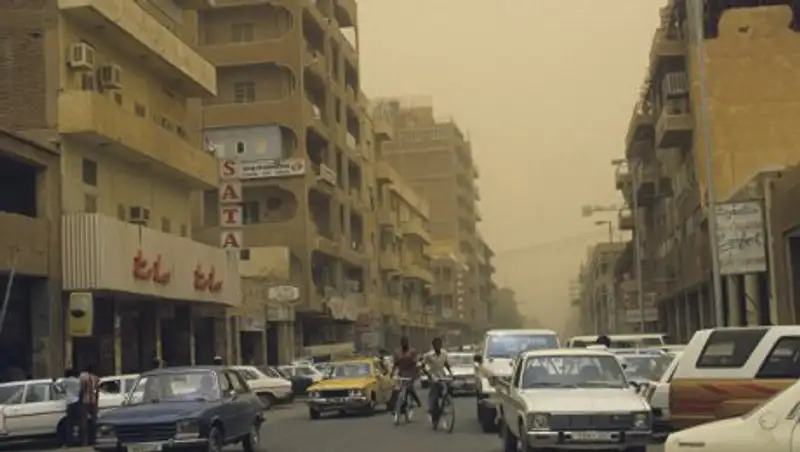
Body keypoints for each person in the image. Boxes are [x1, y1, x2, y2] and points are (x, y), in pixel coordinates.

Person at [421, 337, 453, 418]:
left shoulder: (444, 353)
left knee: (445, 390)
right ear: (433, 345)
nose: (438, 346)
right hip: (433, 376)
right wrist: (428, 374)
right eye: (436, 344)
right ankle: (431, 408)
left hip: (442, 375)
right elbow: (422, 365)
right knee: (434, 393)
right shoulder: (428, 355)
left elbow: (446, 364)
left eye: (439, 344)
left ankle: (445, 405)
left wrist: (450, 373)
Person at [391, 337, 422, 409]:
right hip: (402, 373)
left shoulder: (412, 351)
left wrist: (417, 372)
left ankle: (417, 401)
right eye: (403, 342)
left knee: (409, 387)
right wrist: (392, 373)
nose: (404, 344)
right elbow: (395, 363)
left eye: (405, 342)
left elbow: (415, 362)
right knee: (400, 388)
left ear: (408, 343)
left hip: (411, 372)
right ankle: (399, 404)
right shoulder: (397, 352)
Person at [56, 368, 81, 446]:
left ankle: (69, 440)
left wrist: (63, 390)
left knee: (69, 423)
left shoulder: (66, 381)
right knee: (78, 422)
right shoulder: (77, 381)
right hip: (77, 402)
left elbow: (58, 385)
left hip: (70, 402)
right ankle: (78, 438)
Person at [78, 364, 99, 446]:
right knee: (94, 421)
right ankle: (94, 439)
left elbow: (81, 389)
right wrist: (96, 403)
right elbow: (97, 391)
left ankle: (85, 441)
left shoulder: (83, 377)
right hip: (93, 401)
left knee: (84, 421)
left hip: (85, 400)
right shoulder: (96, 378)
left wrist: (80, 400)